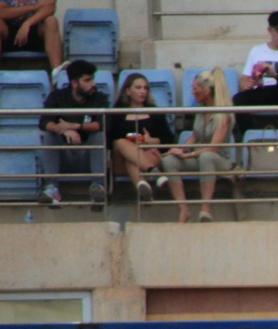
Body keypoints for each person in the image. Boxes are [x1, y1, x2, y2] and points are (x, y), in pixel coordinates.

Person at [160, 68, 235, 224]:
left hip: (219, 159)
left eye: (196, 88)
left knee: (206, 157)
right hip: (198, 156)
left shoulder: (224, 115)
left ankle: (206, 208)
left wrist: (187, 155)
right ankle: (183, 210)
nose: (193, 92)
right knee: (169, 161)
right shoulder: (200, 111)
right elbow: (194, 136)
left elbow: (214, 147)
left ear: (207, 90)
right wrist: (179, 150)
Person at [37, 59, 107, 210]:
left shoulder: (99, 98)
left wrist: (75, 126)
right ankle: (52, 188)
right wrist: (62, 129)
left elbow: (102, 124)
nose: (93, 84)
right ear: (75, 83)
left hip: (88, 154)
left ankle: (98, 187)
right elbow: (44, 122)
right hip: (64, 154)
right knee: (49, 134)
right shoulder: (57, 97)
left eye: (93, 79)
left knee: (99, 135)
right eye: (87, 80)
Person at [233, 10, 278, 134]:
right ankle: (250, 133)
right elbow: (244, 80)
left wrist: (274, 74)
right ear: (269, 30)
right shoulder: (257, 51)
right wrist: (250, 83)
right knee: (238, 99)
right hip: (264, 90)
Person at [108, 73, 176, 201]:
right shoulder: (117, 112)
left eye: (145, 88)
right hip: (121, 158)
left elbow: (168, 138)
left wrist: (151, 141)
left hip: (148, 155)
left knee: (132, 159)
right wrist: (134, 139)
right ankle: (154, 173)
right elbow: (111, 138)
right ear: (128, 91)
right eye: (138, 88)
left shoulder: (154, 112)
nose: (142, 91)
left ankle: (143, 187)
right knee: (121, 143)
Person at [0, 0, 62, 74]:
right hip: (8, 35)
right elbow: (2, 12)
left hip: (35, 30)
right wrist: (33, 7)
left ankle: (57, 74)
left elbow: (50, 7)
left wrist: (27, 24)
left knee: (51, 21)